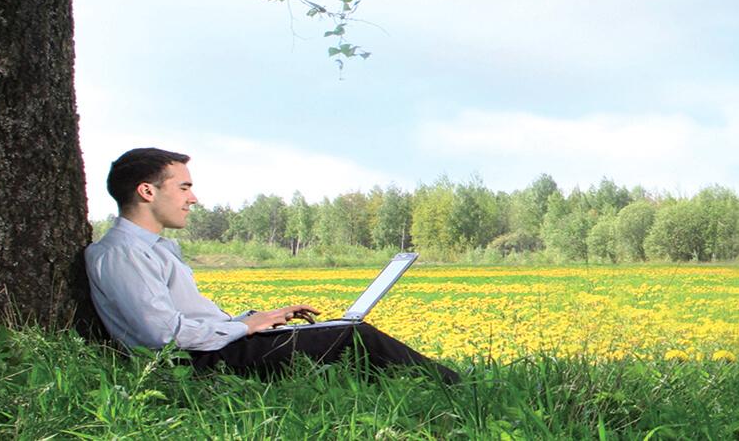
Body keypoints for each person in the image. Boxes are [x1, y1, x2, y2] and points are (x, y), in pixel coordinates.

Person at [84, 147, 458, 384]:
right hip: (197, 363)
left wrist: (256, 319)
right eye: (183, 187)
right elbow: (162, 336)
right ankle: (455, 388)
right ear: (147, 192)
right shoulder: (123, 253)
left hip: (213, 348)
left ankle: (425, 385)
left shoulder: (152, 249)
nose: (193, 198)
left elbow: (185, 319)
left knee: (342, 332)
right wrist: (247, 327)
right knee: (350, 336)